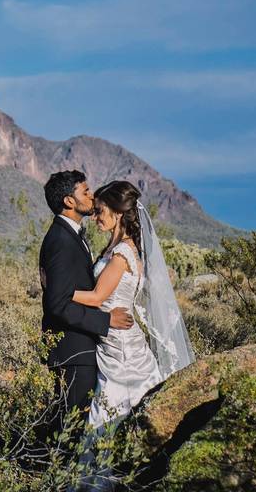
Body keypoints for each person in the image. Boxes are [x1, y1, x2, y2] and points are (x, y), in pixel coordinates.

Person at [72, 180, 195, 429]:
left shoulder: (121, 255)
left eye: (100, 210)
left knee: (113, 402)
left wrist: (61, 293)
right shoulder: (118, 249)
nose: (95, 217)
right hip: (112, 338)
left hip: (121, 346)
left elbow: (97, 297)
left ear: (118, 213)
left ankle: (108, 463)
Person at [39, 170, 135, 427]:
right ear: (69, 201)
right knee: (70, 426)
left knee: (76, 422)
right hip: (73, 349)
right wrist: (105, 321)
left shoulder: (72, 235)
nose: (92, 197)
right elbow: (57, 304)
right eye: (85, 191)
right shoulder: (60, 239)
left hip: (86, 347)